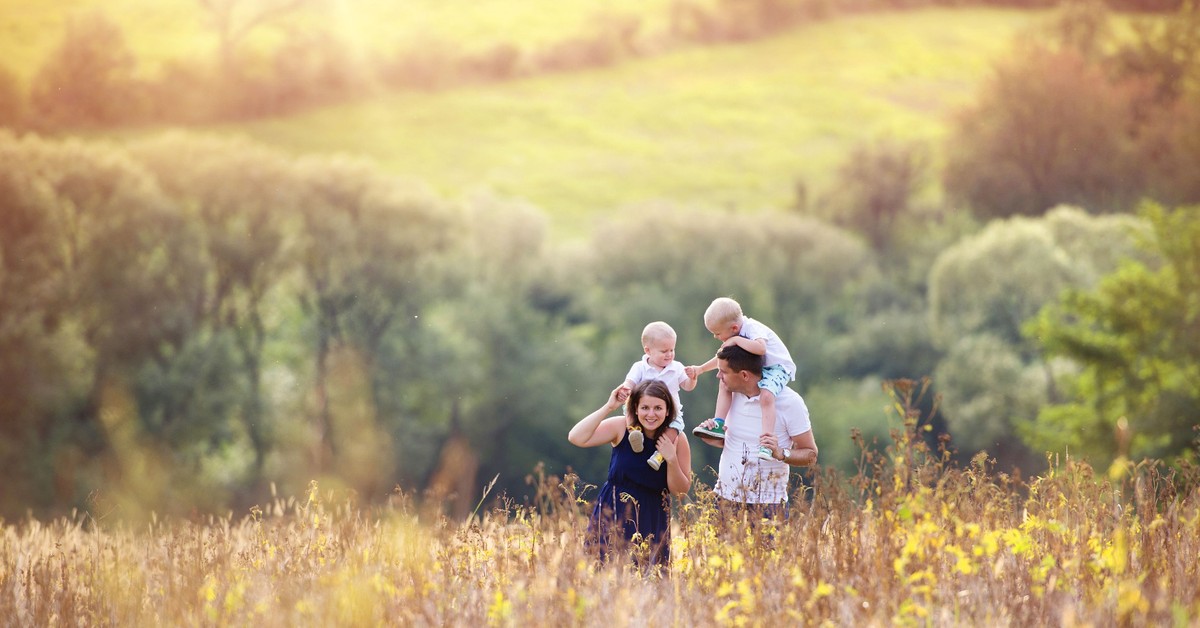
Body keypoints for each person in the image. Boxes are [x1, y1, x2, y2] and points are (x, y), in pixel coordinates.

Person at [568, 380, 693, 566]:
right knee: (602, 573)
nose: (651, 414)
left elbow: (681, 492)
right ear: (635, 408)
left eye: (658, 408)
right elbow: (576, 437)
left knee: (647, 580)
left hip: (652, 516)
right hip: (613, 511)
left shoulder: (676, 438)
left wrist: (672, 459)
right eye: (645, 407)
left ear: (668, 411)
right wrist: (609, 406)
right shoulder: (622, 427)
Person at [693, 344, 816, 516]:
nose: (718, 375)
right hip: (724, 501)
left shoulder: (790, 402)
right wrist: (712, 436)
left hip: (769, 506)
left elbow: (810, 454)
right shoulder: (729, 396)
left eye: (724, 372)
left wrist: (781, 453)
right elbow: (732, 443)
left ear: (744, 375)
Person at [688, 297, 797, 461]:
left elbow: (761, 349)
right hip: (758, 367)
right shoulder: (735, 334)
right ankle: (719, 423)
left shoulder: (752, 328)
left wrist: (736, 340)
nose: (716, 337)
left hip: (777, 368)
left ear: (733, 328)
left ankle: (766, 443)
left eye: (717, 333)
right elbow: (721, 359)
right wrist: (701, 369)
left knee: (766, 396)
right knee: (725, 382)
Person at [620, 321, 698, 470]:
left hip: (670, 412)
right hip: (643, 408)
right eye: (664, 351)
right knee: (628, 409)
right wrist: (626, 389)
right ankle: (635, 433)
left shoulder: (676, 367)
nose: (669, 355)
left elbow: (687, 386)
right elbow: (629, 382)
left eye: (672, 350)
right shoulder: (640, 367)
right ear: (648, 351)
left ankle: (659, 455)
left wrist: (692, 378)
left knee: (675, 428)